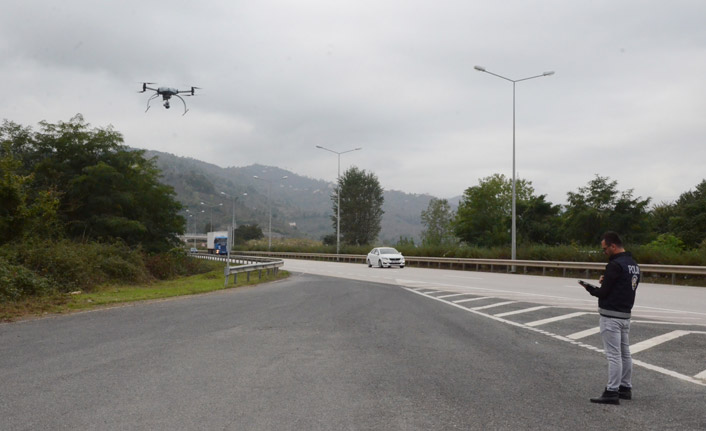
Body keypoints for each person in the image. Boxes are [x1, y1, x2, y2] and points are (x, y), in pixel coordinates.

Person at [580, 231, 640, 405]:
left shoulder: (615, 265)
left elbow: (604, 292)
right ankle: (625, 388)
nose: (604, 252)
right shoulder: (633, 264)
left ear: (613, 246)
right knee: (625, 353)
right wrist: (607, 282)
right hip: (625, 314)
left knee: (614, 355)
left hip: (611, 315)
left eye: (605, 249)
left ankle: (611, 392)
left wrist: (589, 288)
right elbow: (625, 286)